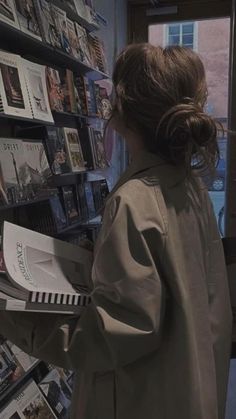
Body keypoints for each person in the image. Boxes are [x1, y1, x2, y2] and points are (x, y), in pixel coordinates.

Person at [0, 44, 232, 419]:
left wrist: (14, 317)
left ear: (121, 111)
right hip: (186, 389)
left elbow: (111, 336)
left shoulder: (133, 202)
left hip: (137, 400)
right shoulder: (190, 187)